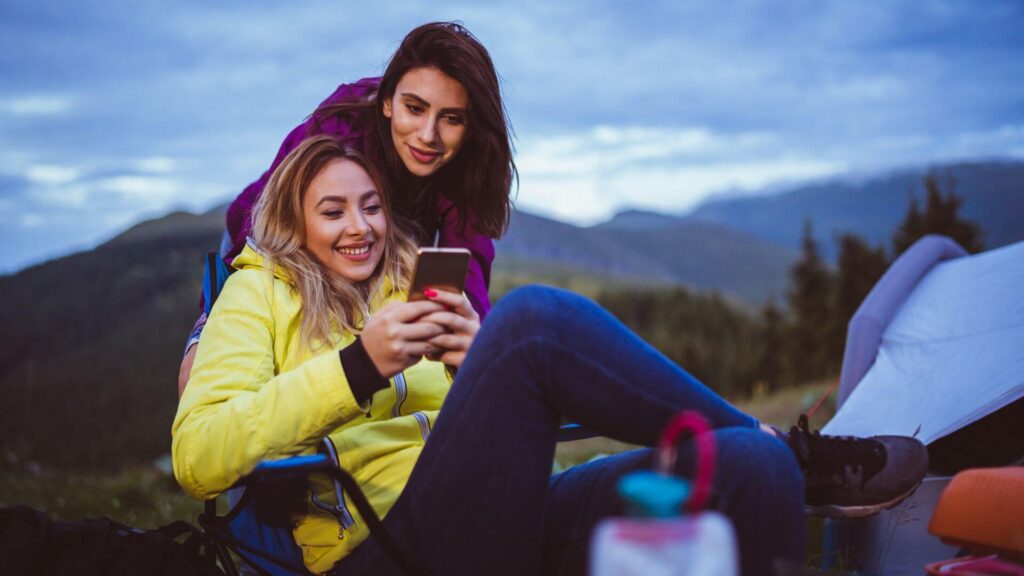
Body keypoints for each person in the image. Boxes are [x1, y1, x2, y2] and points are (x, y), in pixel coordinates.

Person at [172, 136, 928, 576]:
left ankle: (775, 455)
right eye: (332, 210)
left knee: (747, 469)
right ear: (294, 225)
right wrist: (355, 367)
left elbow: (479, 433)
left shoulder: (403, 288)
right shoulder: (259, 294)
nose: (360, 226)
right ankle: (798, 454)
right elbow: (200, 454)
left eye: (370, 205)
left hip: (499, 520)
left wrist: (473, 370)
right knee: (531, 321)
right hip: (382, 548)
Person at [177, 21, 514, 395]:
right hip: (266, 232)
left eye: (451, 118)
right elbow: (260, 242)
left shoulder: (469, 166)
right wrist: (208, 327)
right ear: (387, 101)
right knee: (212, 372)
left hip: (372, 254)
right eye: (414, 108)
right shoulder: (340, 129)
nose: (427, 135)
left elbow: (463, 275)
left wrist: (468, 356)